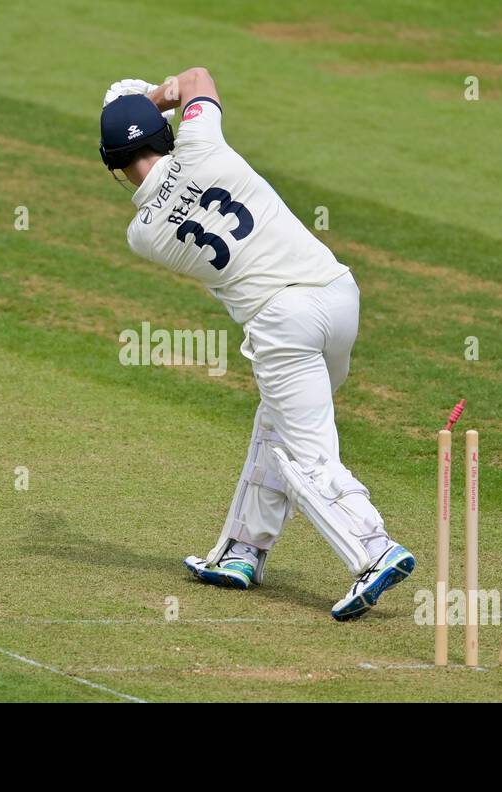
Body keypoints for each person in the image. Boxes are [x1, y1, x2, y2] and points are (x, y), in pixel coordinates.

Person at [98, 69, 415, 620]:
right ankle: (244, 549)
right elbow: (197, 77)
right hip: (339, 296)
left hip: (283, 326)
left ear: (116, 167)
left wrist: (134, 114)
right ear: (164, 133)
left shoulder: (143, 234)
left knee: (307, 453)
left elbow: (161, 177)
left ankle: (373, 549)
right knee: (277, 426)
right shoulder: (204, 146)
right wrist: (151, 100)